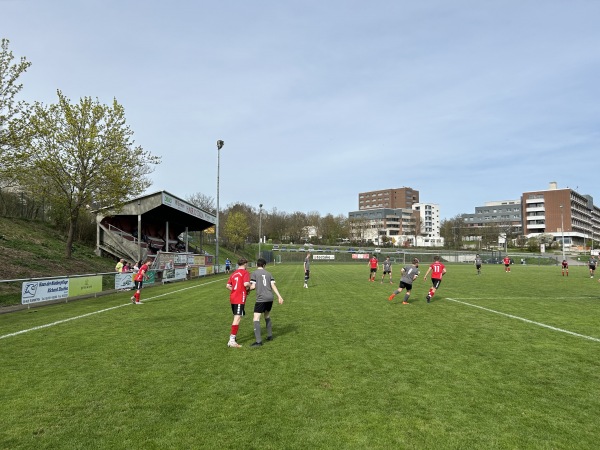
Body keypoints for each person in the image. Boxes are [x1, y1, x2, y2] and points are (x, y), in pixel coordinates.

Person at [248, 258, 284, 347]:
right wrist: (279, 296)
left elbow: (253, 286)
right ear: (264, 265)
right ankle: (269, 335)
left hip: (261, 298)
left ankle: (258, 341)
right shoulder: (268, 273)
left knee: (256, 318)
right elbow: (273, 285)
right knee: (267, 315)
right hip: (270, 298)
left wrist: (246, 288)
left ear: (257, 265)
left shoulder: (254, 273)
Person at [226, 258, 250, 348]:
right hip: (239, 298)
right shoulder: (245, 272)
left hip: (233, 297)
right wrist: (252, 286)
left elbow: (228, 285)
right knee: (237, 317)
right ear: (245, 264)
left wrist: (235, 290)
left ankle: (233, 338)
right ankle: (232, 340)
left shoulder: (234, 273)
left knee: (236, 316)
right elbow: (246, 284)